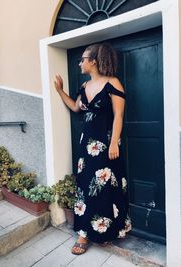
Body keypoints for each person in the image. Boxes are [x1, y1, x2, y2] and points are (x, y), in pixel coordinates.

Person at [54, 43, 131, 255]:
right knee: (86, 187)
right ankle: (85, 233)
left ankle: (104, 232)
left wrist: (114, 142)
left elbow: (118, 116)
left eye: (82, 59)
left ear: (93, 61)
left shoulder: (113, 83)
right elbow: (76, 107)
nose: (80, 63)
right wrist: (60, 91)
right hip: (86, 147)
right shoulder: (84, 86)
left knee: (106, 188)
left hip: (107, 145)